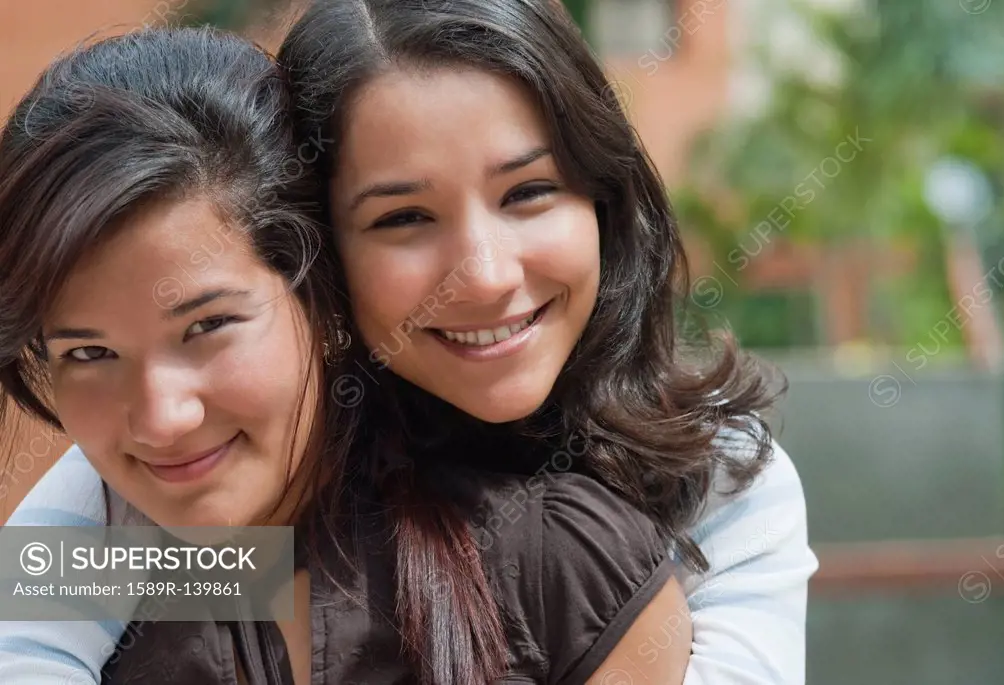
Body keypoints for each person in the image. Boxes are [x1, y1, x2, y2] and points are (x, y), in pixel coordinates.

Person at [1, 0, 819, 682]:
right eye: (403, 218)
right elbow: (34, 635)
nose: (486, 273)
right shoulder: (179, 512)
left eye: (528, 190)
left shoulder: (701, 488)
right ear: (329, 257)